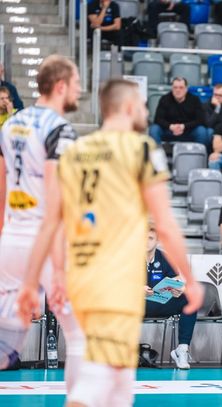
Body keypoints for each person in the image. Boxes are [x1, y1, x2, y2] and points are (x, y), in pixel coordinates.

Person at [17, 79, 204, 406]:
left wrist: (50, 276)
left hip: (80, 275)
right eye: (142, 106)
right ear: (129, 107)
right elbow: (165, 223)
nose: (145, 112)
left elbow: (54, 222)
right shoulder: (141, 148)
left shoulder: (75, 152)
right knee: (95, 384)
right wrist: (189, 279)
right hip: (116, 278)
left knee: (118, 385)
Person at [0, 55, 85, 395]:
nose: (79, 89)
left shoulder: (10, 124)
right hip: (43, 243)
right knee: (79, 335)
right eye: (76, 83)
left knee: (5, 344)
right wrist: (58, 270)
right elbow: (56, 209)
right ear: (60, 86)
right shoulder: (60, 130)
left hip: (10, 239)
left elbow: (1, 191)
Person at [144, 222, 197, 369]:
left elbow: (177, 280)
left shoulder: (164, 258)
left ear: (157, 240)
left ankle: (182, 350)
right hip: (135, 304)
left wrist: (178, 290)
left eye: (150, 238)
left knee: (190, 301)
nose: (145, 241)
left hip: (158, 302)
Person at [149, 77, 211, 150]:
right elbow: (158, 119)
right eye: (175, 87)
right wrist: (170, 126)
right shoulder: (164, 99)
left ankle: (198, 155)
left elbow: (200, 120)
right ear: (172, 89)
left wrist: (183, 126)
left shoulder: (194, 100)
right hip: (168, 130)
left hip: (188, 131)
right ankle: (158, 155)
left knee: (201, 131)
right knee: (154, 129)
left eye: (181, 87)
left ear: (186, 89)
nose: (178, 90)